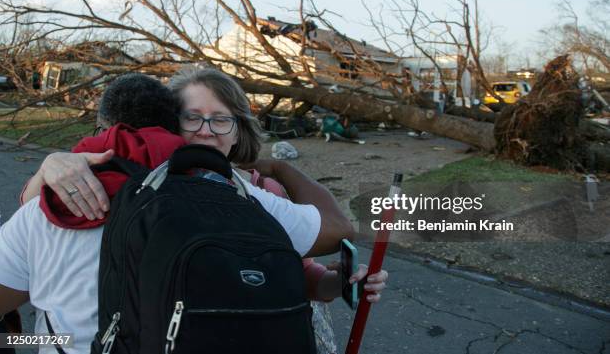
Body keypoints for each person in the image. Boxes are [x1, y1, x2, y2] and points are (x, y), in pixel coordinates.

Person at [19, 67, 389, 352]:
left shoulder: (259, 194)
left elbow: (305, 276)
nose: (206, 130)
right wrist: (51, 165)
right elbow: (31, 212)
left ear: (237, 129)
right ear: (166, 123)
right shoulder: (107, 187)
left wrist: (338, 281)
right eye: (191, 117)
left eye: (221, 118)